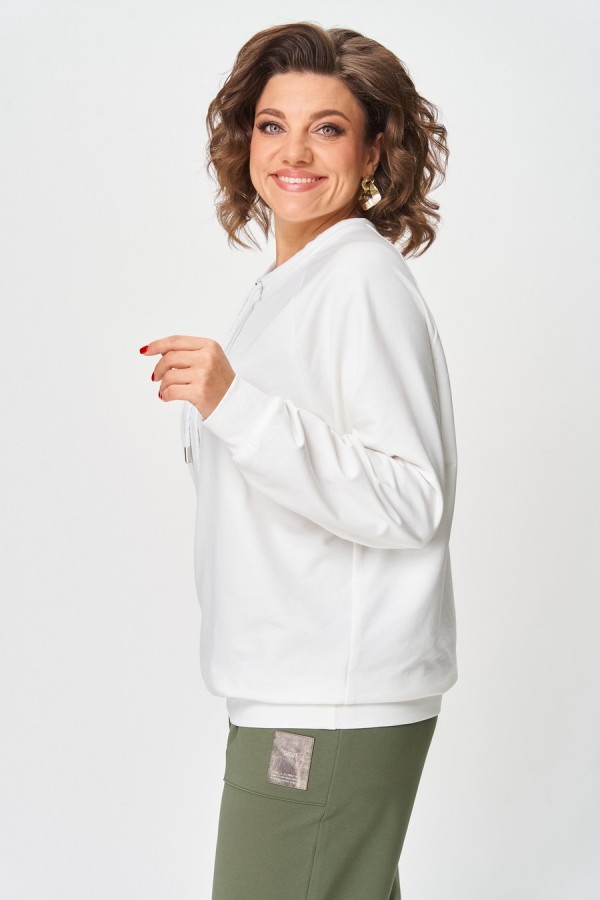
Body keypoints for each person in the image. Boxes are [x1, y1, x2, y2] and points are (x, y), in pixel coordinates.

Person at [139, 21, 458, 900]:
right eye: (273, 124)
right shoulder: (288, 287)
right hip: (302, 691)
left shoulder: (360, 281)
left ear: (374, 150)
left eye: (328, 128)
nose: (294, 152)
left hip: (331, 699)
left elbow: (412, 497)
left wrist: (235, 404)